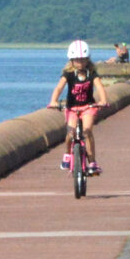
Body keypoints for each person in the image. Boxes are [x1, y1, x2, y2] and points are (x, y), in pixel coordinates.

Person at [49, 40, 103, 178]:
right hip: (72, 107)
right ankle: (67, 154)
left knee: (87, 131)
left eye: (83, 60)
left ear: (87, 60)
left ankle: (92, 162)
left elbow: (100, 87)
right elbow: (59, 88)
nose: (80, 63)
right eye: (77, 60)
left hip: (88, 107)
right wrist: (53, 101)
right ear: (71, 60)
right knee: (70, 133)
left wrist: (103, 100)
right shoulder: (68, 74)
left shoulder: (92, 74)